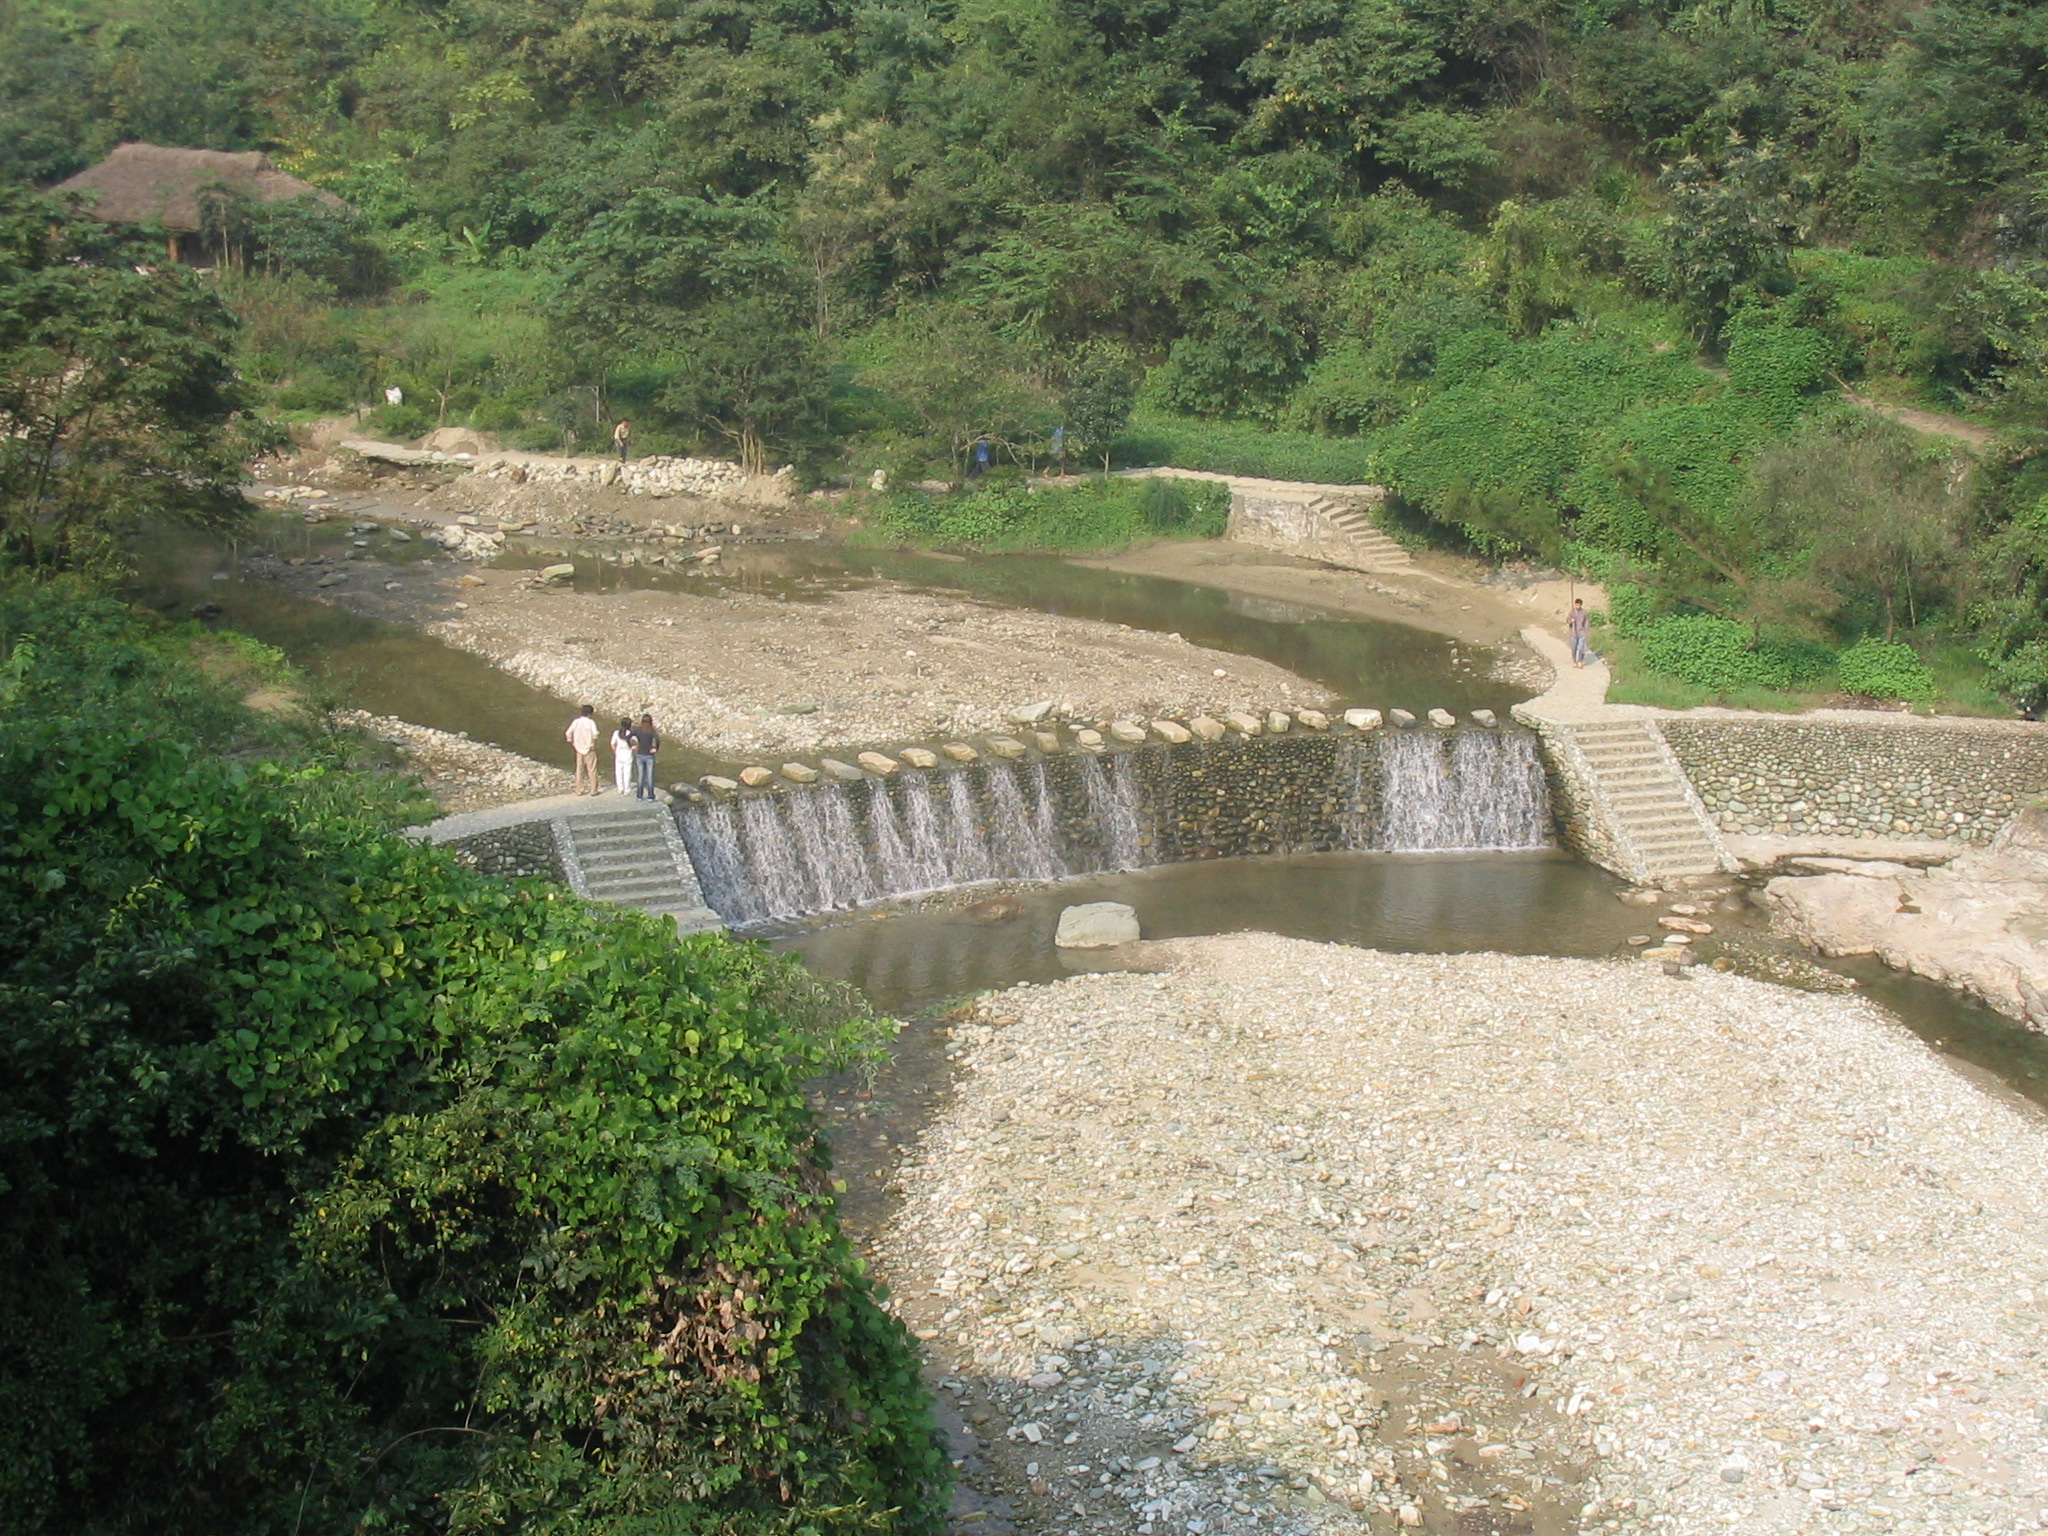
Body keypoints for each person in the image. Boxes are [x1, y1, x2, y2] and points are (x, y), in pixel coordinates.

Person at [566, 705, 600, 794]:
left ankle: (579, 789)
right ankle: (594, 790)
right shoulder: (591, 722)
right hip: (589, 748)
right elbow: (595, 734)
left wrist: (571, 742)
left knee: (579, 769)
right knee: (592, 769)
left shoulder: (576, 722)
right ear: (589, 714)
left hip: (578, 748)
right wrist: (593, 744)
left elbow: (568, 733)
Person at [631, 712, 660, 801]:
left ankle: (639, 796)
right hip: (649, 755)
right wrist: (655, 748)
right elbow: (657, 739)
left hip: (640, 754)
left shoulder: (638, 730)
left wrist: (631, 745)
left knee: (640, 776)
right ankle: (650, 796)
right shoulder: (651, 730)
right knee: (650, 776)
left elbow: (628, 737)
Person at [609, 715, 636, 795]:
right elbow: (637, 742)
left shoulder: (616, 733)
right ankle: (627, 789)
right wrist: (634, 747)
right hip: (627, 754)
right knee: (627, 773)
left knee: (618, 771)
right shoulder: (630, 733)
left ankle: (620, 788)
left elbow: (612, 744)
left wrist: (615, 751)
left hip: (619, 754)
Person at [1567, 597, 1593, 669]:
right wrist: (1571, 621)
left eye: (1579, 605)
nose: (1577, 606)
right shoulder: (1571, 613)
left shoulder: (1584, 613)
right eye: (1576, 604)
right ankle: (1574, 661)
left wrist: (1586, 631)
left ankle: (1580, 661)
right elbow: (1567, 621)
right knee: (1574, 648)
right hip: (1573, 633)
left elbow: (1586, 622)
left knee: (1581, 648)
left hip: (1581, 633)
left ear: (1581, 605)